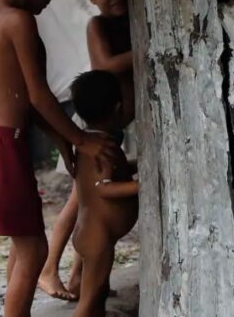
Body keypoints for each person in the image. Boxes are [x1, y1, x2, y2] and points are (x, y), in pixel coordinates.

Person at [0, 0, 118, 317]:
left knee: (24, 245)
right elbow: (39, 96)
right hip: (2, 145)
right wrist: (81, 138)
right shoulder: (20, 22)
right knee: (35, 250)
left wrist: (61, 139)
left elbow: (20, 99)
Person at [40, 0, 134, 301]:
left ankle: (82, 277)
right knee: (79, 203)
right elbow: (106, 66)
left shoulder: (130, 21)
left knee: (89, 208)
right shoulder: (98, 26)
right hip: (93, 127)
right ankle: (49, 268)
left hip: (113, 128)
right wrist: (146, 49)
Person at [69, 70, 138, 317]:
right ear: (119, 108)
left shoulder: (90, 143)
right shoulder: (103, 148)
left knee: (98, 294)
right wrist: (141, 186)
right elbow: (105, 187)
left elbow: (113, 174)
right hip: (97, 237)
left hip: (91, 234)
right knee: (87, 303)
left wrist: (137, 165)